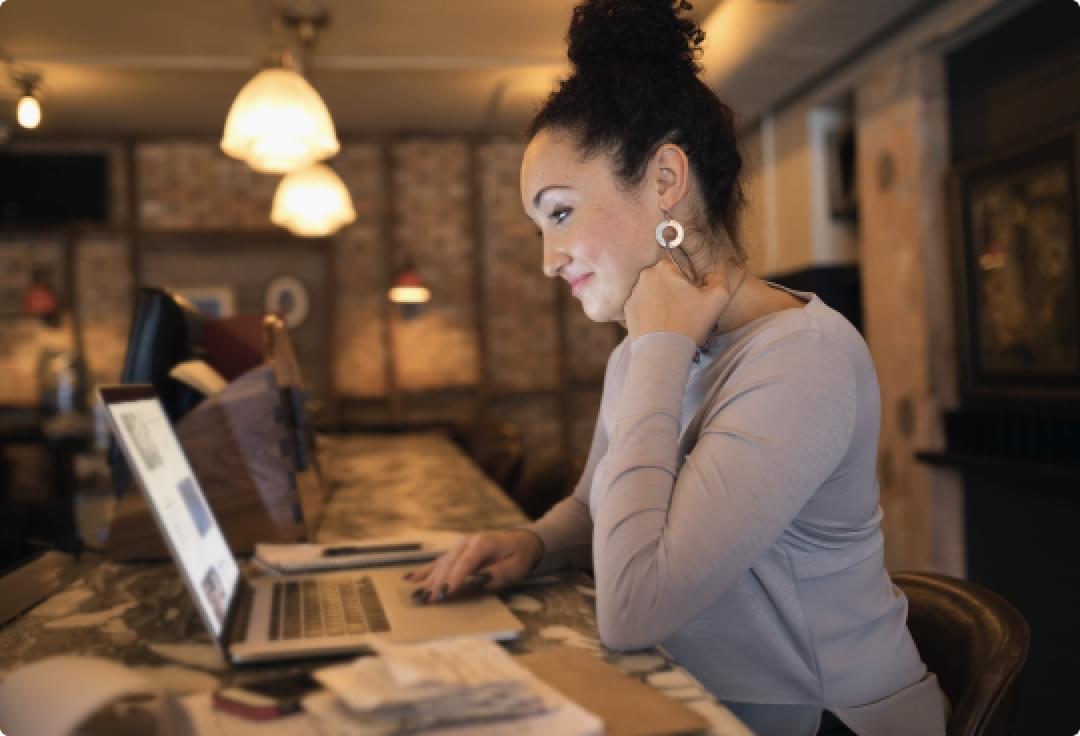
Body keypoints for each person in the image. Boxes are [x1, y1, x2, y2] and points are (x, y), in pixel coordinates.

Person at [407, 1, 948, 733]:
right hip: (698, 700)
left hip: (824, 721)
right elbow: (598, 505)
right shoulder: (642, 350)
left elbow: (634, 608)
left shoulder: (803, 358)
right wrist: (533, 543)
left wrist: (659, 347)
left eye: (560, 213)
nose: (547, 259)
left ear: (665, 179)